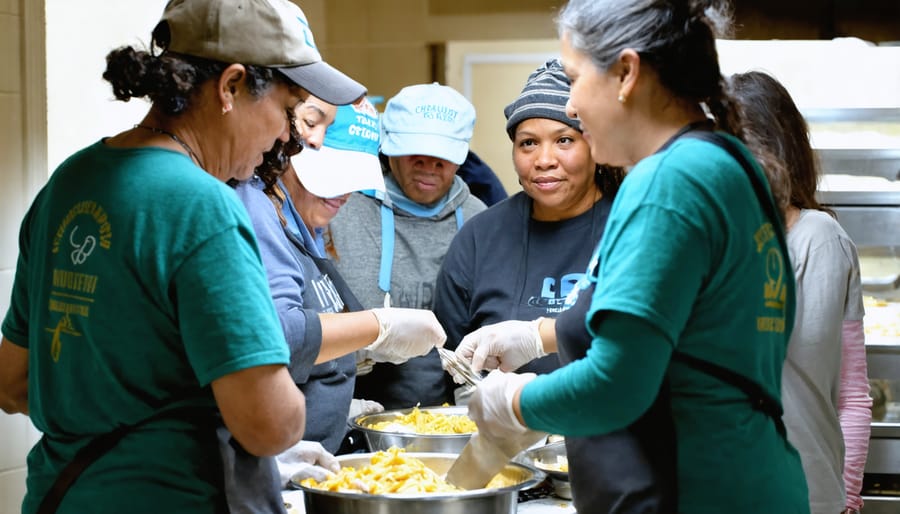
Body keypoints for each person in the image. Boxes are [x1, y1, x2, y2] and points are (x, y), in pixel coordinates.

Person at [0, 0, 370, 512]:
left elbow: (13, 384)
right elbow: (268, 426)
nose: (288, 135)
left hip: (61, 496)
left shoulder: (70, 181)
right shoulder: (204, 207)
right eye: (287, 109)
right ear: (232, 86)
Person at [455, 1, 810, 513]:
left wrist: (510, 403)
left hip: (693, 491)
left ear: (626, 72)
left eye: (576, 80)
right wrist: (536, 336)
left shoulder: (669, 183)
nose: (572, 107)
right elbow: (686, 330)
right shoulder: (725, 164)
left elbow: (615, 386)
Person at [232, 97, 446, 510]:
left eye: (354, 179)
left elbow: (317, 321)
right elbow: (282, 335)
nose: (345, 194)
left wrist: (344, 391)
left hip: (310, 456)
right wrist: (378, 328)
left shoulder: (306, 222)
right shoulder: (257, 210)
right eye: (332, 177)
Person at [729, 70, 872, 514]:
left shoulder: (817, 237)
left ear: (780, 148)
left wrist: (844, 493)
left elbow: (850, 393)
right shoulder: (716, 239)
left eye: (745, 144)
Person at [434, 59, 625, 385]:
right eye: (528, 143)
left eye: (564, 140)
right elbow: (447, 357)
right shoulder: (480, 237)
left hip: (608, 427)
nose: (544, 160)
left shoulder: (630, 228)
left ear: (594, 144)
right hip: (505, 431)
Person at [327, 83, 487, 409]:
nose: (429, 164)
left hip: (452, 416)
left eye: (443, 155)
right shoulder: (340, 212)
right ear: (389, 147)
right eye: (415, 151)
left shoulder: (480, 222)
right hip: (354, 410)